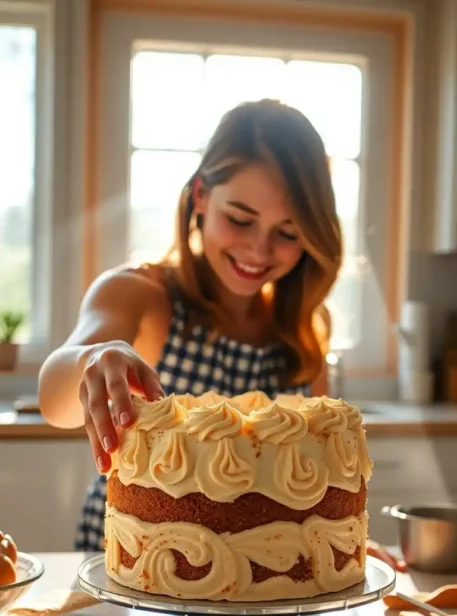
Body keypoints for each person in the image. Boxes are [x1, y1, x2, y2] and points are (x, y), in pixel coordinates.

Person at [38, 99, 405, 571]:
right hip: (138, 566)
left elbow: (314, 472)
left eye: (288, 232)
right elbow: (53, 397)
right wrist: (93, 359)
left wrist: (327, 547)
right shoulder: (140, 295)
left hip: (263, 582)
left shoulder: (303, 330)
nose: (258, 249)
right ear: (200, 197)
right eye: (240, 219)